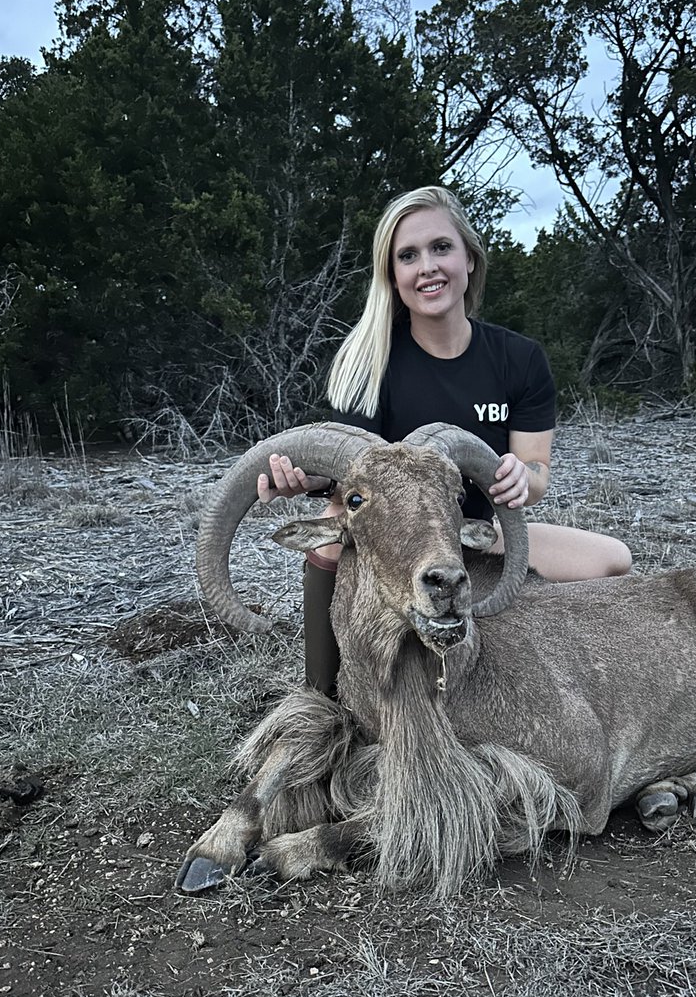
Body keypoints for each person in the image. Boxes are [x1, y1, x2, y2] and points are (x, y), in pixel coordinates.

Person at [256, 185, 631, 693]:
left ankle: (566, 672)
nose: (427, 267)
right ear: (393, 275)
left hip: (476, 528)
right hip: (397, 538)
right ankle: (322, 695)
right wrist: (303, 479)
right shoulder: (370, 362)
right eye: (408, 256)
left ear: (469, 258)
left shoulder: (519, 359)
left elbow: (536, 471)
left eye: (441, 248)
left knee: (613, 560)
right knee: (327, 541)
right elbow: (348, 478)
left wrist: (521, 478)